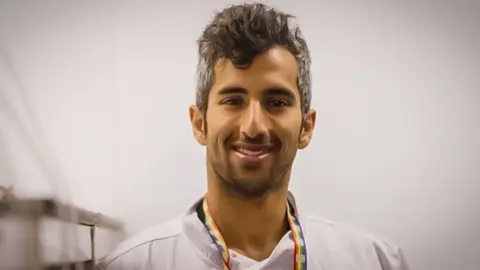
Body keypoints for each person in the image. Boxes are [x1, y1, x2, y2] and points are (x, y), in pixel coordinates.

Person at [98, 3, 410, 270]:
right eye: (233, 100)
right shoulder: (133, 265)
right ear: (199, 123)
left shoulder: (374, 261)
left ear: (306, 127)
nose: (254, 126)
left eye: (276, 102)